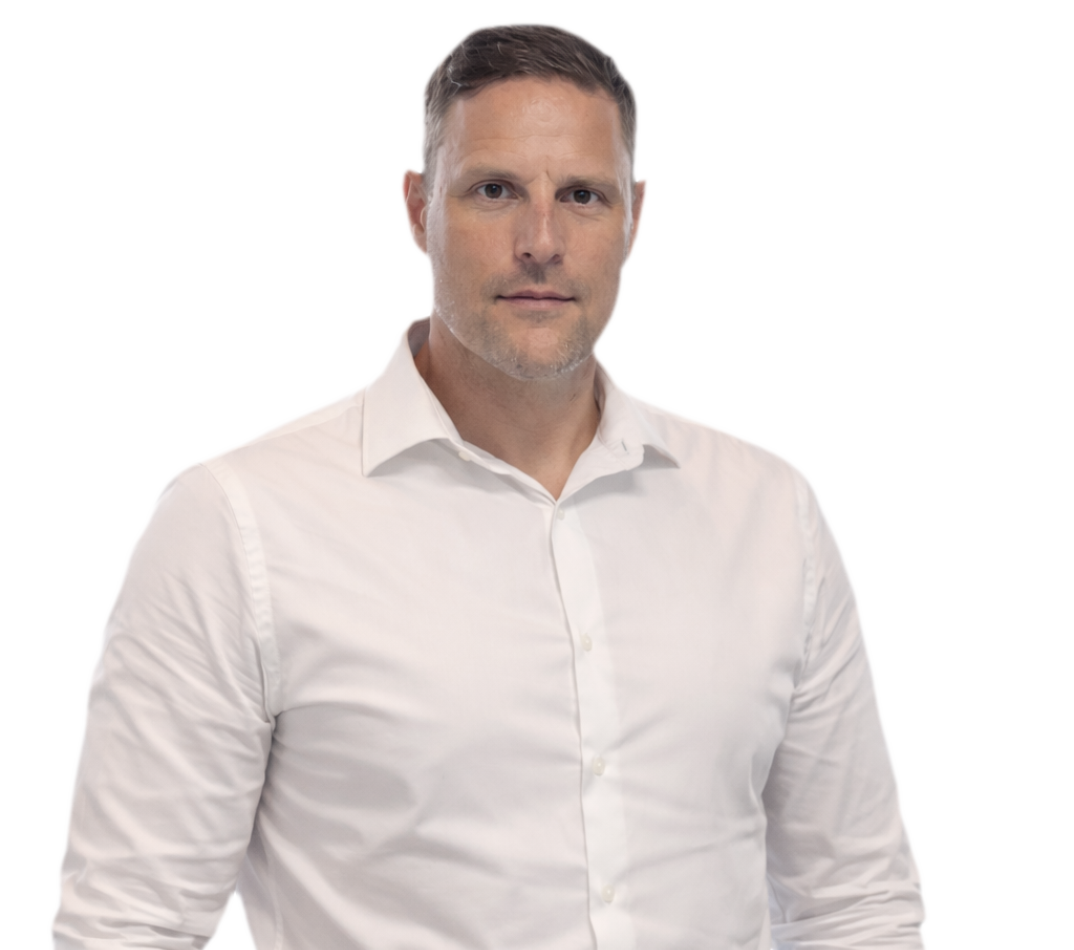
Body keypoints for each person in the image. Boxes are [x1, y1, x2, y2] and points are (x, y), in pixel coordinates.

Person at [50, 20, 928, 950]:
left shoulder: (769, 514)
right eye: (495, 190)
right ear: (415, 208)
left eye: (582, 196)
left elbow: (855, 906)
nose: (541, 241)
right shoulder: (238, 527)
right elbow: (130, 926)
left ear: (636, 217)